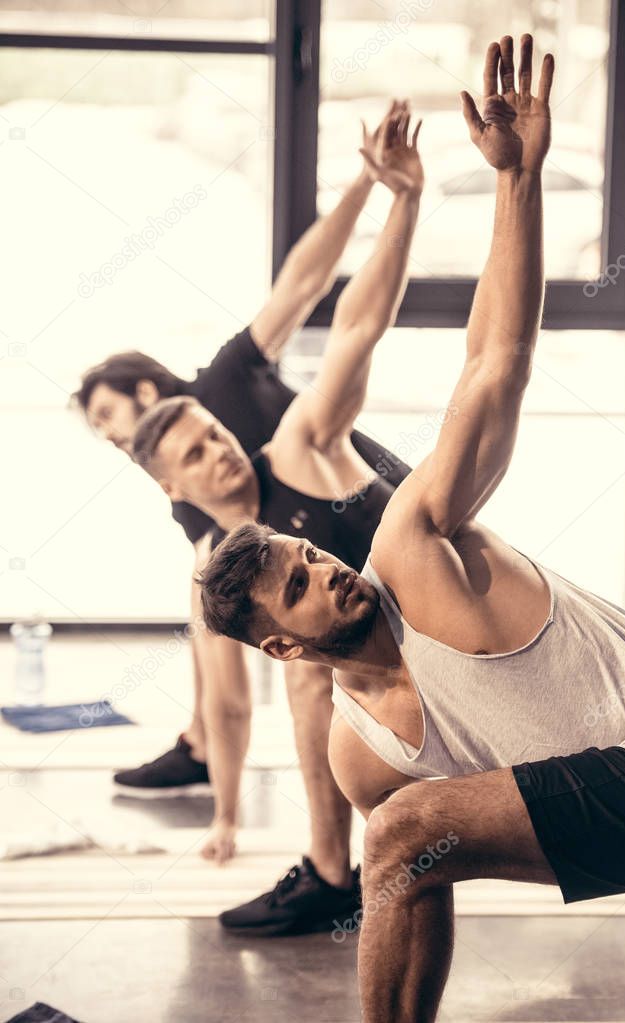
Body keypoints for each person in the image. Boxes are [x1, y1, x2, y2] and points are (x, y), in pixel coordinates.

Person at [198, 35, 625, 1021]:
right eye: (299, 586)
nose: (326, 571)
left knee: (403, 829)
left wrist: (518, 180)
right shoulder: (358, 751)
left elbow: (491, 362)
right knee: (405, 840)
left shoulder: (413, 553)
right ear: (285, 644)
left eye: (310, 555)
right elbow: (422, 875)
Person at [72, 103, 411, 875]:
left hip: (378, 516)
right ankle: (289, 828)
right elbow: (219, 629)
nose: (111, 437)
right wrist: (225, 808)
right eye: (102, 434)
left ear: (149, 385)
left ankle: (331, 859)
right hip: (332, 577)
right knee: (240, 631)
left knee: (299, 671)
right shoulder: (186, 504)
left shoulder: (229, 381)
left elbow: (307, 285)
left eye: (108, 416)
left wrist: (371, 182)